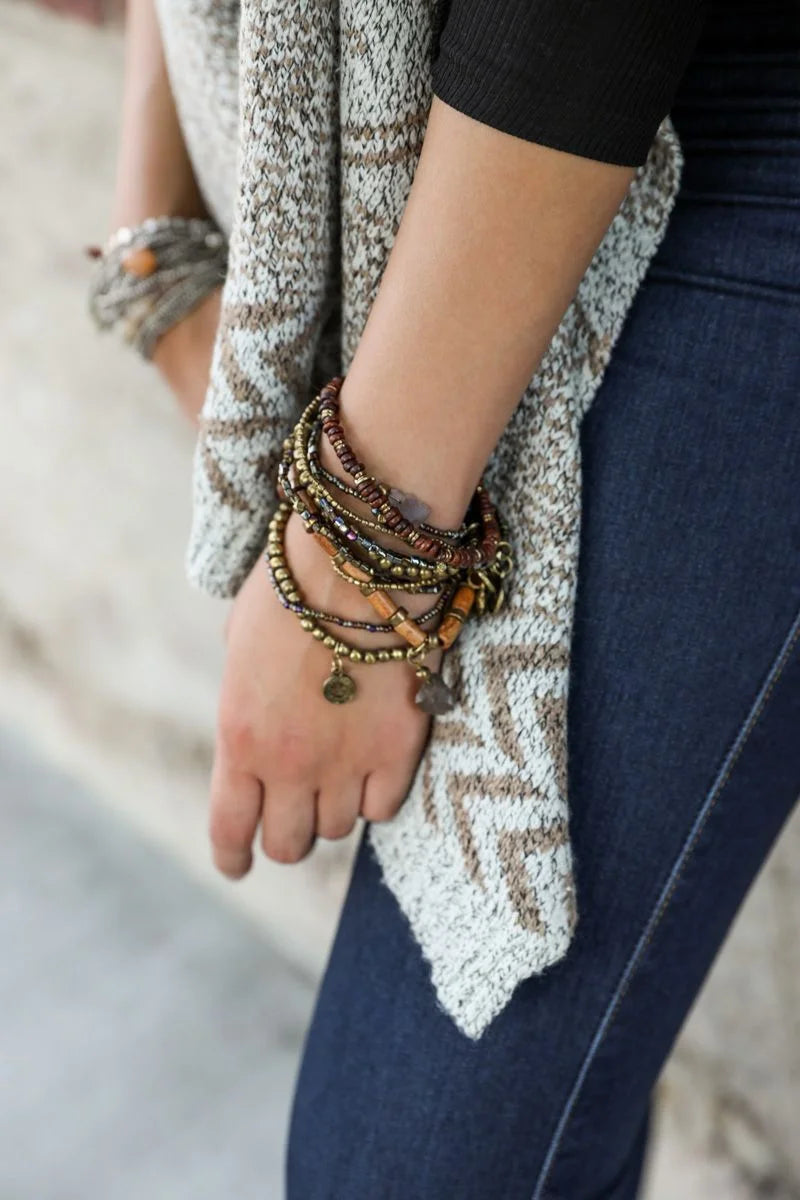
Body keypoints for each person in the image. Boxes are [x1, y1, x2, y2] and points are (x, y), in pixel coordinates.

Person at [97, 0, 800, 1194]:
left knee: (404, 1166)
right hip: (480, 156)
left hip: (700, 125)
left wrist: (359, 559)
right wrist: (149, 232)